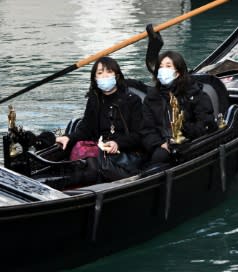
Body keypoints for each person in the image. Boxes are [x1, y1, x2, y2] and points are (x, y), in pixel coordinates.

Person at [56, 56, 144, 186]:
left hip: (124, 152)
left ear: (117, 75)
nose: (104, 76)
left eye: (109, 72)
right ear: (95, 78)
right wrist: (68, 137)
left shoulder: (132, 101)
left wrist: (117, 143)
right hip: (99, 151)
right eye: (100, 73)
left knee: (92, 164)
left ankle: (66, 188)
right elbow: (85, 128)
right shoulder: (95, 99)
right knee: (81, 155)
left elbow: (139, 135)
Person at [140, 50, 218, 165]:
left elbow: (206, 124)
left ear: (178, 73)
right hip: (160, 145)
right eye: (160, 67)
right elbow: (146, 129)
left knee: (160, 158)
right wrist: (161, 143)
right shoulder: (152, 98)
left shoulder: (194, 94)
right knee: (155, 156)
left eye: (168, 66)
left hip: (189, 145)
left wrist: (182, 132)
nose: (163, 70)